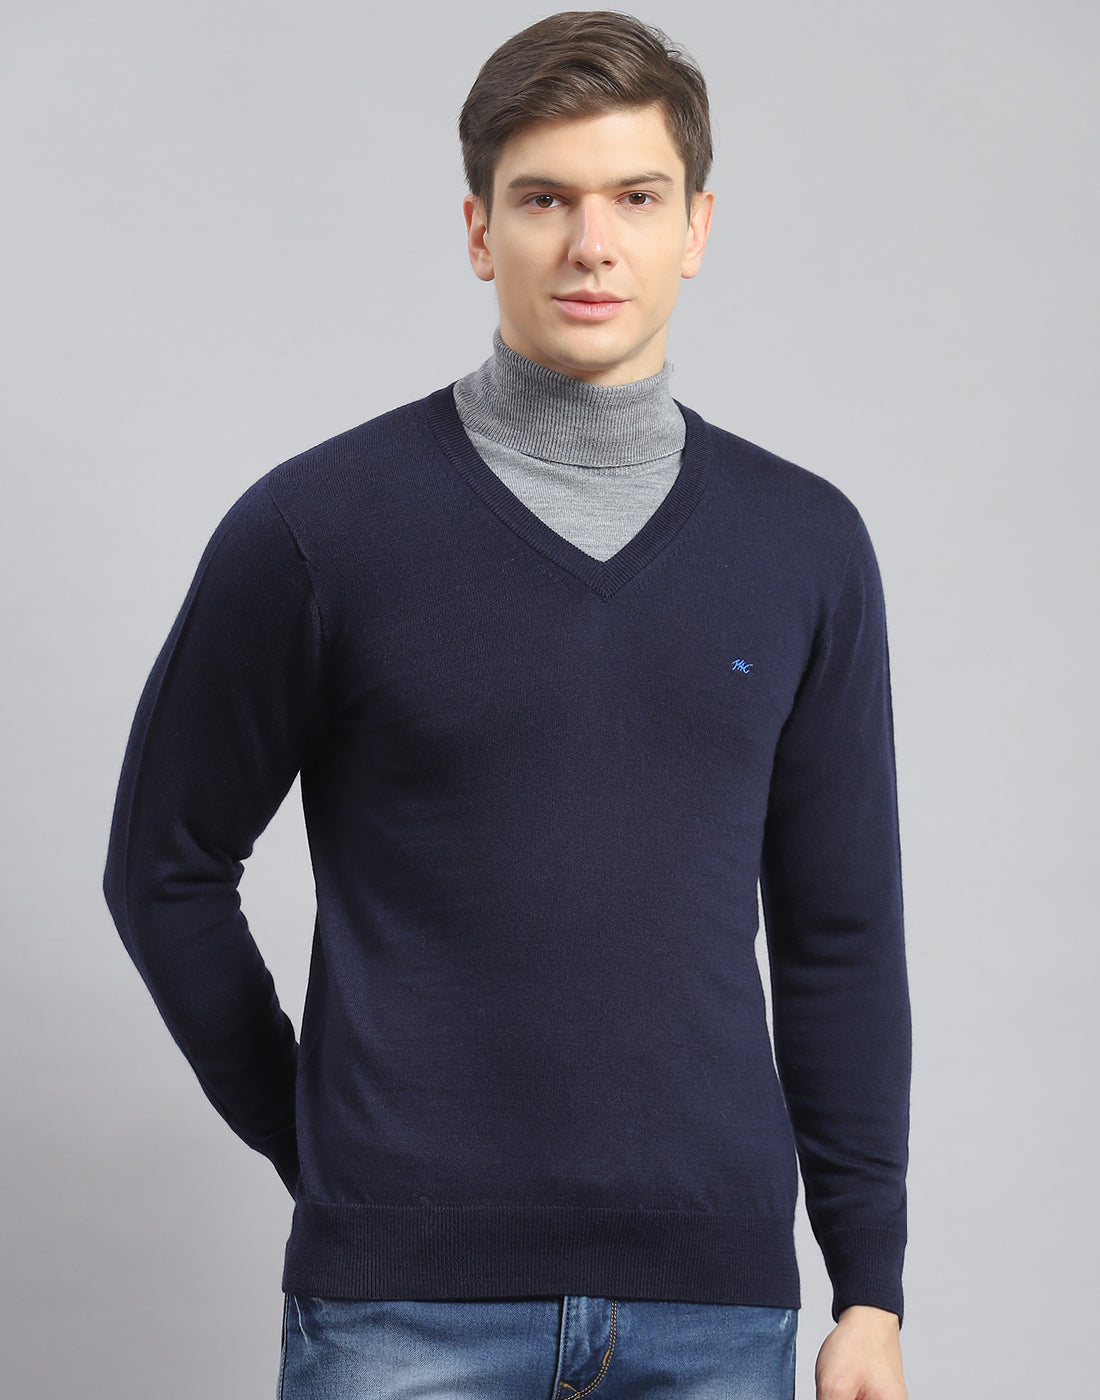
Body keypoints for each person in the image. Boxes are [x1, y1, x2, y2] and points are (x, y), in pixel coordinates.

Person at [104, 11, 910, 1399]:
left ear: (697, 227)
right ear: (480, 230)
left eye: (636, 199)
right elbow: (161, 867)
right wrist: (320, 1144)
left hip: (713, 1314)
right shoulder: (318, 530)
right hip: (399, 1315)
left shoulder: (806, 546)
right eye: (545, 200)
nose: (592, 244)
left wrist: (870, 1289)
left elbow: (840, 936)